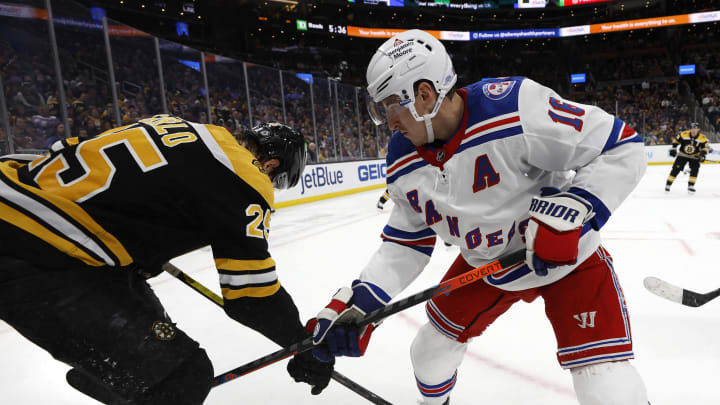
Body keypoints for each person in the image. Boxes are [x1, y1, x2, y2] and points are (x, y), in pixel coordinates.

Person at [309, 29, 649, 405]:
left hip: (570, 258)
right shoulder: (403, 157)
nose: (388, 121)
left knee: (604, 385)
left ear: (424, 95)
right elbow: (407, 243)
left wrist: (576, 208)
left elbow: (622, 146)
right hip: (485, 265)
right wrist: (361, 301)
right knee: (428, 353)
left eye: (390, 106)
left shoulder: (514, 107)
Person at [0, 114, 333, 404]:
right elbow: (251, 295)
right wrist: (301, 345)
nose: (271, 184)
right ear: (272, 164)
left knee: (150, 325)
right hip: (34, 251)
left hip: (20, 207)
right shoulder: (245, 174)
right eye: (277, 179)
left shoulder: (178, 127)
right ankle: (132, 379)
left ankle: (120, 378)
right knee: (185, 376)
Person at [665, 122, 709, 194]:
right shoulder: (683, 134)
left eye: (695, 128)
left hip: (695, 156)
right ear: (690, 129)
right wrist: (673, 148)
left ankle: (691, 186)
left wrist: (702, 155)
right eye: (692, 128)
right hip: (682, 155)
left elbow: (705, 148)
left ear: (698, 129)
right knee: (676, 169)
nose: (694, 130)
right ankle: (668, 184)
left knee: (695, 170)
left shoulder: (702, 138)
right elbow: (676, 141)